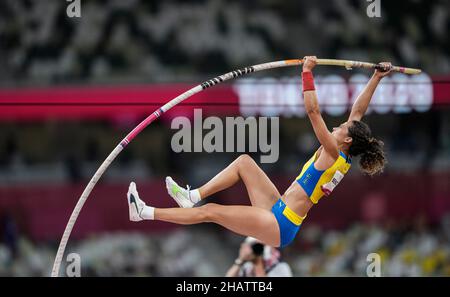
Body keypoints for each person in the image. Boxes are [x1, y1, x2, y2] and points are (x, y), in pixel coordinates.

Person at [126, 56, 391, 248]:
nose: (337, 125)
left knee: (213, 212)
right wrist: (376, 77)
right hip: (279, 209)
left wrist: (307, 72)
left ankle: (145, 212)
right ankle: (191, 195)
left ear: (347, 140)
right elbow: (358, 111)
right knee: (244, 162)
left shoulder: (333, 152)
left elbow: (312, 112)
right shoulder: (343, 151)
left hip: (280, 225)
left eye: (342, 126)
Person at [225, 237, 292, 277]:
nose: (256, 249)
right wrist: (241, 259)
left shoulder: (281, 267)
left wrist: (258, 262)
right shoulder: (247, 267)